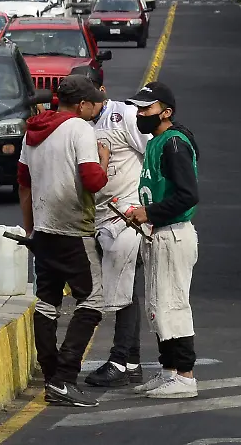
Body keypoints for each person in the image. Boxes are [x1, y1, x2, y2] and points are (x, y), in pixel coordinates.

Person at [18, 75, 110, 407]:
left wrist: (30, 228)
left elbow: (24, 183)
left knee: (47, 302)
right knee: (92, 301)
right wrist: (105, 161)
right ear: (83, 104)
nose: (96, 110)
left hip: (43, 229)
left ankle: (51, 373)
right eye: (95, 105)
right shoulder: (81, 130)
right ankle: (64, 378)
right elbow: (92, 180)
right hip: (74, 229)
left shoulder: (33, 131)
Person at [69, 66, 151, 389]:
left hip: (128, 217)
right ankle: (131, 362)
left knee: (123, 287)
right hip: (100, 219)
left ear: (100, 91)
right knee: (124, 290)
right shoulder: (77, 126)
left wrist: (149, 208)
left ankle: (119, 360)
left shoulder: (124, 116)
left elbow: (151, 154)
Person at [124, 81, 201, 399]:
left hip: (173, 233)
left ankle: (185, 376)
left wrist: (149, 212)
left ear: (166, 112)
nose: (140, 114)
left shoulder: (173, 144)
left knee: (173, 305)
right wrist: (141, 213)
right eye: (139, 109)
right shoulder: (156, 142)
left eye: (147, 109)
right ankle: (169, 370)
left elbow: (188, 195)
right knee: (158, 305)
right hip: (159, 233)